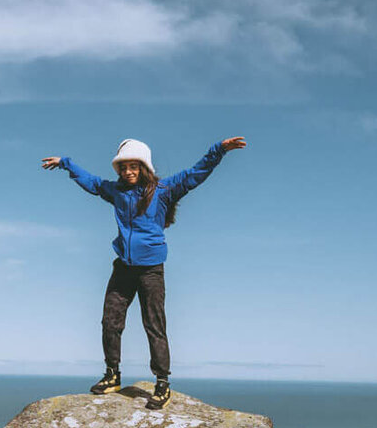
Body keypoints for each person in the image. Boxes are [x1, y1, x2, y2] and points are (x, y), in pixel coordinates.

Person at [42, 136, 246, 409]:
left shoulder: (164, 189)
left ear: (144, 167)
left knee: (154, 325)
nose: (127, 172)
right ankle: (112, 375)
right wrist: (66, 163)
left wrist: (218, 150)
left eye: (133, 166)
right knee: (110, 322)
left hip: (151, 269)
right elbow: (91, 182)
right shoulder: (116, 191)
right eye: (123, 167)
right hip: (124, 267)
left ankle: (162, 382)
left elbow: (197, 173)